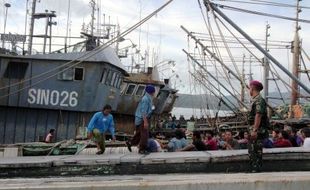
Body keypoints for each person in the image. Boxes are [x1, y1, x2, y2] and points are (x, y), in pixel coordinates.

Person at [247, 80, 269, 172]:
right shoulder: (256, 100)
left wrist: (255, 130)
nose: (249, 91)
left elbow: (258, 115)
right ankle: (255, 169)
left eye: (249, 88)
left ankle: (256, 169)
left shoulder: (259, 100)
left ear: (252, 88)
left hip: (257, 130)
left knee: (255, 150)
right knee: (254, 150)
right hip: (256, 129)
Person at [126, 85, 155, 154]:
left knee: (139, 133)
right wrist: (145, 122)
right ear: (151, 91)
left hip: (141, 118)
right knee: (145, 134)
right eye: (154, 91)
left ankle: (130, 143)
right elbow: (143, 111)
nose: (154, 92)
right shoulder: (145, 99)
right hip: (142, 118)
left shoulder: (149, 98)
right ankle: (142, 149)